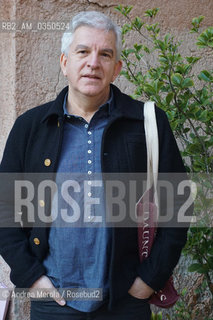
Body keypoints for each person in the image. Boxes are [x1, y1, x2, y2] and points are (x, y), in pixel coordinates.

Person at [0, 11, 191, 320]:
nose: (93, 62)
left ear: (116, 69)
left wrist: (148, 280)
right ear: (65, 62)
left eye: (105, 54)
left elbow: (178, 205)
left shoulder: (148, 123)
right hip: (54, 303)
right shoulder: (31, 127)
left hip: (125, 301)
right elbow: (4, 208)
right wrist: (33, 278)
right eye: (83, 51)